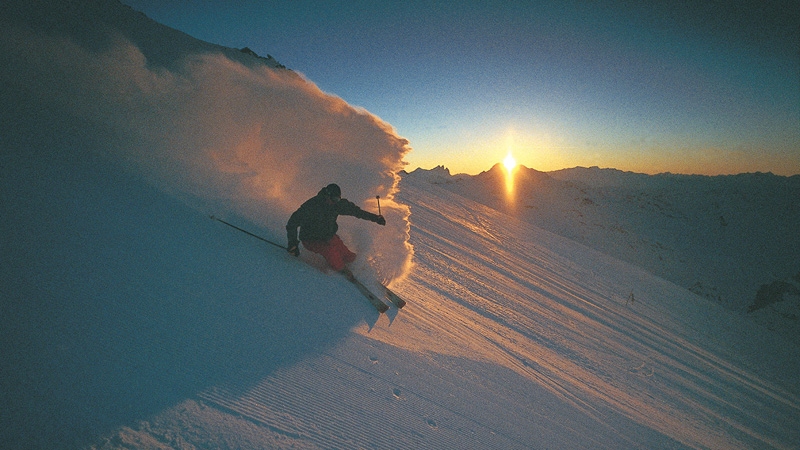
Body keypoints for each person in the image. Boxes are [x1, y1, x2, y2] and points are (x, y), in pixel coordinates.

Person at [286, 183, 386, 272]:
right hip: (311, 239)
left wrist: (375, 218)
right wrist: (292, 243)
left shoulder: (337, 205)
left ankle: (356, 268)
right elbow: (292, 223)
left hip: (328, 236)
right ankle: (343, 271)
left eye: (337, 199)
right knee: (330, 252)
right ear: (327, 196)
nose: (335, 202)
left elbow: (356, 212)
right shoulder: (312, 206)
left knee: (347, 254)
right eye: (333, 199)